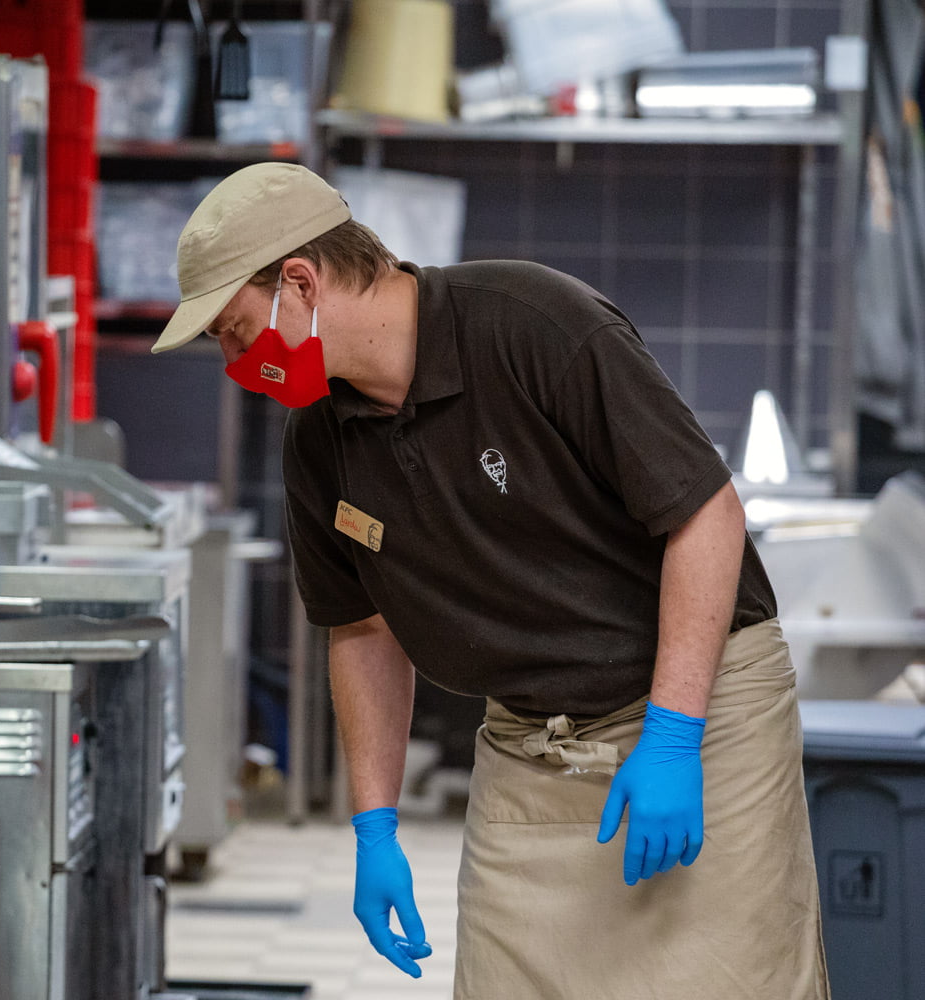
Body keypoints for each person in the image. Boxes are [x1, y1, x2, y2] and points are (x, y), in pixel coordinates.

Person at [150, 162, 830, 999]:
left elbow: (707, 515)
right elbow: (362, 629)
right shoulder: (319, 444)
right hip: (530, 740)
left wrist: (673, 736)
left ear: (300, 281)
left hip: (700, 714)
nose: (235, 362)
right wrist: (374, 824)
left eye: (235, 330)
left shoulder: (534, 325)